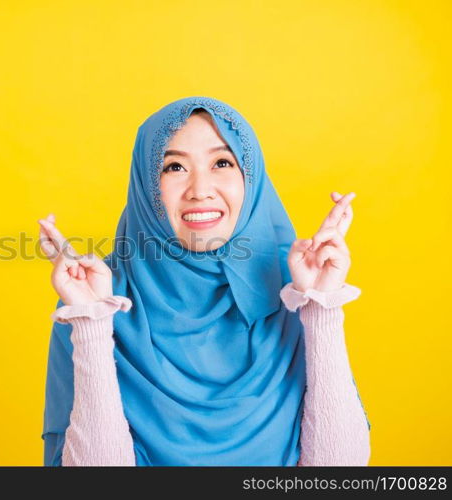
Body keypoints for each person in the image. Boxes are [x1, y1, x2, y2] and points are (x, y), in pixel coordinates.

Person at [38, 96, 371, 466]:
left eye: (222, 163)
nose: (200, 189)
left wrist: (321, 308)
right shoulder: (97, 299)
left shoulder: (294, 290)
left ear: (252, 178)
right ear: (146, 186)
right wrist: (91, 323)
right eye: (175, 167)